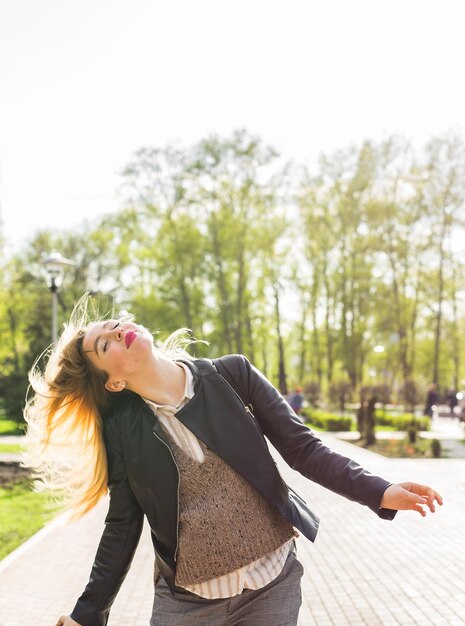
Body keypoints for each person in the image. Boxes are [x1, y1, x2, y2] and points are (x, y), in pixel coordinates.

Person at [23, 298, 442, 626]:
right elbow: (122, 525)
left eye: (114, 325)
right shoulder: (122, 430)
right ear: (113, 382)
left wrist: (380, 491)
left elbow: (303, 449)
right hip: (187, 604)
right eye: (105, 344)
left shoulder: (232, 375)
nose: (117, 332)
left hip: (271, 586)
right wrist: (88, 612)